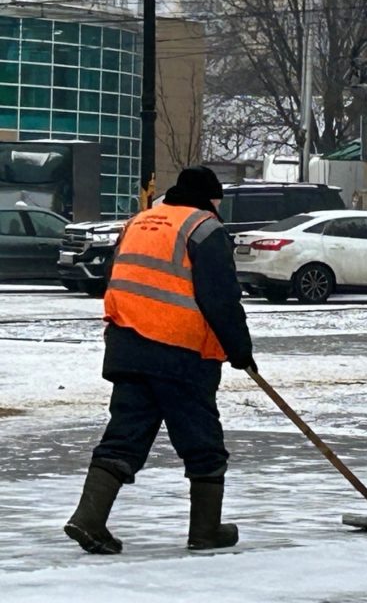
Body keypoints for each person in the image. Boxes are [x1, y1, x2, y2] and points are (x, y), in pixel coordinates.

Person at [64, 166, 257, 555]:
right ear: (209, 197)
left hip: (128, 346)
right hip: (180, 353)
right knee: (202, 441)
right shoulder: (205, 228)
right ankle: (206, 530)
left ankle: (88, 518)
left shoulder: (138, 222)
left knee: (124, 436)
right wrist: (240, 351)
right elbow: (221, 299)